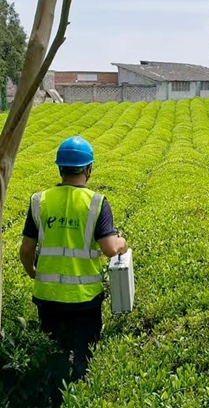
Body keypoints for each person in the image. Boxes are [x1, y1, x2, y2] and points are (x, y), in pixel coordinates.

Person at [19, 136, 128, 406]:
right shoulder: (97, 202)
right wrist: (123, 243)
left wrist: (33, 272)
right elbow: (109, 248)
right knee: (83, 355)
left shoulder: (39, 201)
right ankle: (78, 399)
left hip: (48, 297)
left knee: (54, 352)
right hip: (84, 300)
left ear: (60, 168)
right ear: (89, 169)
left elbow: (25, 250)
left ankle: (51, 397)